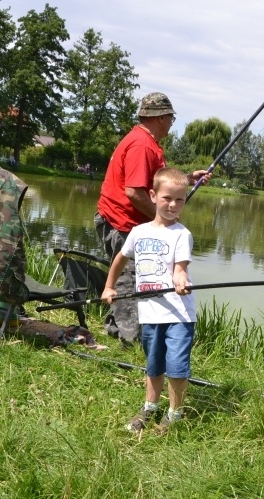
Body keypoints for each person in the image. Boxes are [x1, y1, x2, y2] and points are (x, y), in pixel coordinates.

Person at [94, 92, 209, 344]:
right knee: (130, 280)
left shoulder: (146, 142)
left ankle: (117, 331)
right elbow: (134, 192)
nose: (171, 123)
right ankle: (129, 339)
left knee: (135, 278)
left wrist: (187, 179)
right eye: (171, 118)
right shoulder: (142, 145)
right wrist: (164, 219)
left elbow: (151, 184)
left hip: (122, 221)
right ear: (161, 117)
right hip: (120, 223)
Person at [101, 167, 198, 433]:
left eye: (180, 199)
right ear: (153, 196)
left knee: (176, 368)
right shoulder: (138, 232)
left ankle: (174, 414)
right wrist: (109, 286)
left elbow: (180, 268)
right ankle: (149, 408)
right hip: (151, 314)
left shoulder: (181, 234)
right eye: (167, 198)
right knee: (153, 365)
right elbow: (120, 258)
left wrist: (180, 280)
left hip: (178, 315)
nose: (173, 204)